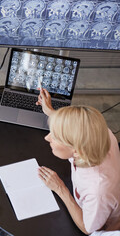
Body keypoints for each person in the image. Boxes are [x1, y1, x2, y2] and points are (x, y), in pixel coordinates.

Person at [36, 88, 120, 235]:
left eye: (55, 137)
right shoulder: (100, 133)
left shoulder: (97, 191)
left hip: (101, 220)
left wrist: (60, 188)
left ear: (77, 151)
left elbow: (88, 228)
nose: (47, 138)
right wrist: (51, 112)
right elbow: (80, 129)